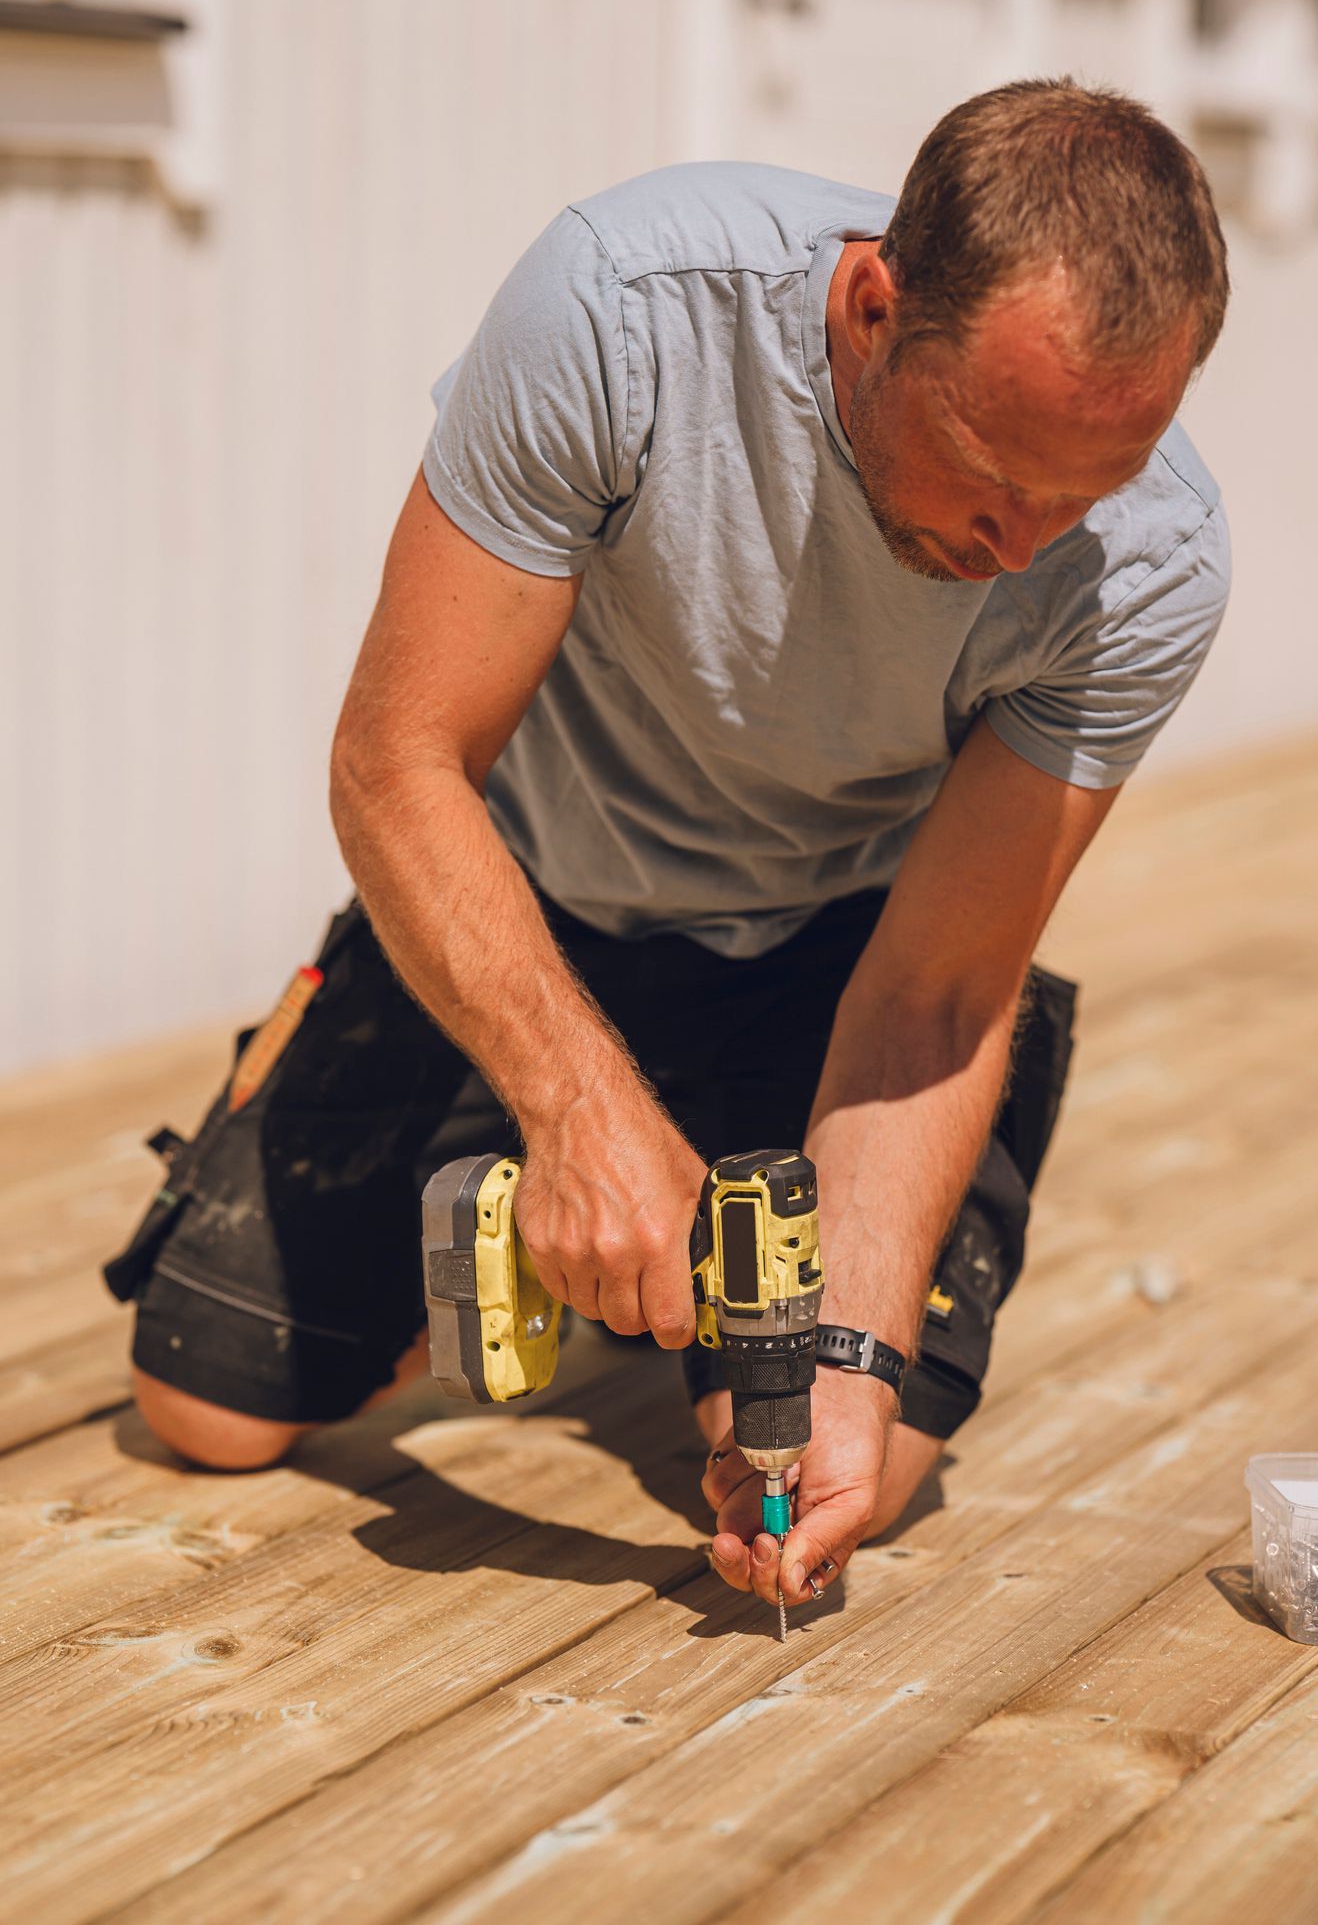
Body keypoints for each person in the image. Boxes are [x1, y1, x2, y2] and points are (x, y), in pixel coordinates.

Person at [104, 78, 1230, 1620]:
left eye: (1081, 490)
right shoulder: (620, 310)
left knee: (846, 1464)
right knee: (206, 1411)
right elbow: (394, 762)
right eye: (987, 467)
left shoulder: (1150, 563)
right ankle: (577, 1221)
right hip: (542, 893)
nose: (1022, 545)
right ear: (870, 304)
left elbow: (937, 989)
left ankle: (664, 1264)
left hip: (844, 958)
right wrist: (573, 1112)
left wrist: (840, 1364)